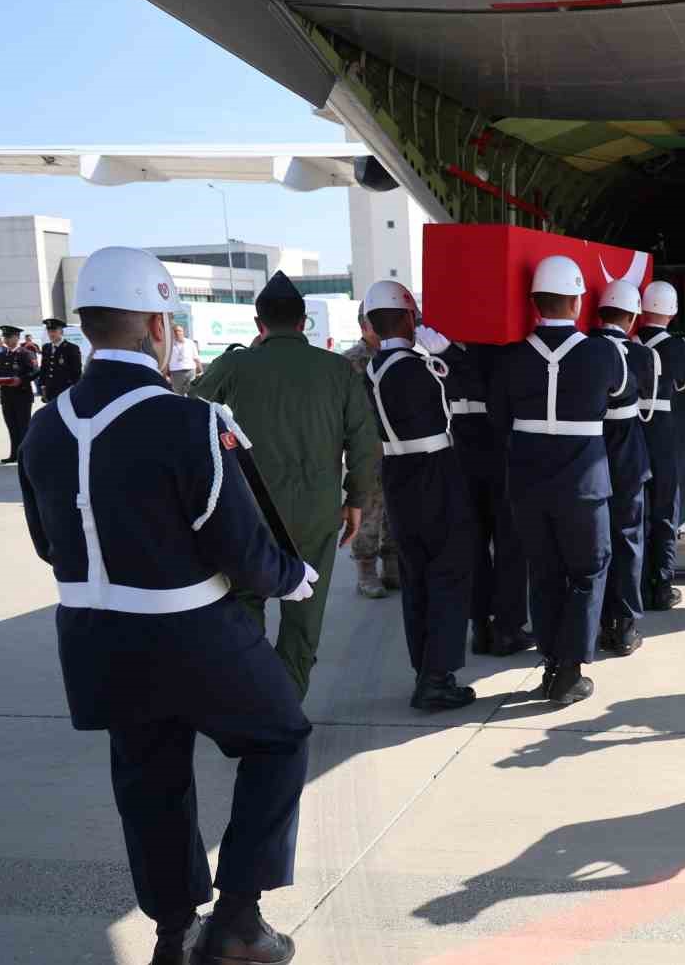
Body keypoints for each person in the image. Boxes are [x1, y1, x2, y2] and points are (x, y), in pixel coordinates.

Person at [17, 245, 315, 965]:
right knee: (280, 737)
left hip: (92, 638)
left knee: (149, 779)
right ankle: (240, 920)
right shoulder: (188, 422)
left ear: (88, 327)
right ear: (157, 325)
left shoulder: (45, 426)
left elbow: (47, 544)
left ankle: (173, 933)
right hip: (190, 631)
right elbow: (241, 550)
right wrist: (292, 577)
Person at [190, 271, 379, 699]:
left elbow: (190, 406)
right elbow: (365, 443)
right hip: (317, 512)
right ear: (302, 323)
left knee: (245, 602)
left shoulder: (236, 364)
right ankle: (287, 701)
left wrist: (243, 357)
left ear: (259, 324)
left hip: (247, 511)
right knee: (304, 613)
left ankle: (251, 697)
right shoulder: (337, 368)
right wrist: (355, 499)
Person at [489, 256, 627, 706]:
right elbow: (623, 394)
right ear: (575, 301)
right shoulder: (604, 352)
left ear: (534, 302)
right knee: (587, 571)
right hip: (583, 483)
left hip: (527, 482)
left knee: (544, 574)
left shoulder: (510, 356)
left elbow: (499, 417)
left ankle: (552, 663)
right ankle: (569, 672)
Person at [361, 279, 478, 711]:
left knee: (416, 576)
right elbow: (475, 383)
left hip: (397, 474)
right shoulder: (422, 367)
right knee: (448, 572)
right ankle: (438, 677)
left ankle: (424, 668)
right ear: (411, 317)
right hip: (435, 471)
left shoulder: (372, 368)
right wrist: (447, 352)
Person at [441, 327, 532, 658]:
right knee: (509, 542)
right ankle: (507, 628)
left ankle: (481, 626)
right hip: (496, 448)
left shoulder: (444, 351)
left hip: (460, 449)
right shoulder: (499, 350)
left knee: (474, 544)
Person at [591, 279, 655, 657]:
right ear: (632, 317)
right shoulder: (641, 355)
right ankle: (625, 624)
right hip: (628, 454)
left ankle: (598, 620)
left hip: (591, 455)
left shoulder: (585, 349)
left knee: (594, 544)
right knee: (628, 538)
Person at [635, 280, 685, 611]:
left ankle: (637, 583)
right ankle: (663, 584)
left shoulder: (628, 341)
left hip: (630, 427)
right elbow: (684, 383)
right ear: (672, 313)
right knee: (664, 508)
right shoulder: (680, 348)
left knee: (635, 509)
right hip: (662, 428)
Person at [341, 306, 400, 599]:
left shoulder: (397, 356)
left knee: (393, 509)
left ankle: (392, 567)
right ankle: (366, 571)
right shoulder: (349, 362)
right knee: (368, 512)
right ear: (365, 325)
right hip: (366, 450)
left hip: (397, 447)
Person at [0, 325, 38, 463]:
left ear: (17, 337)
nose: (6, 339)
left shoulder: (25, 353)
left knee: (23, 426)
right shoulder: (1, 355)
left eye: (9, 337)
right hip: (6, 396)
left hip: (22, 396)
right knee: (11, 426)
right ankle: (14, 454)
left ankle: (26, 455)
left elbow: (34, 372)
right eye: (5, 337)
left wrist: (21, 380)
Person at [38, 317, 84, 404]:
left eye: (54, 331)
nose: (51, 334)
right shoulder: (46, 347)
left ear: (61, 332)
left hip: (64, 390)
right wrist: (42, 385)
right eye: (49, 331)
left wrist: (73, 390)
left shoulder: (71, 348)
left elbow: (76, 371)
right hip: (49, 390)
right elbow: (44, 368)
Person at [167, 324, 202, 394]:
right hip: (176, 372)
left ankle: (191, 404)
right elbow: (166, 360)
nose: (178, 333)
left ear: (183, 332)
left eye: (180, 331)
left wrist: (201, 370)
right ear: (173, 333)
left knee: (191, 392)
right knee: (178, 393)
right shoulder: (170, 344)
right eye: (175, 331)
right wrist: (166, 375)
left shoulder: (190, 342)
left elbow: (196, 358)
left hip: (190, 371)